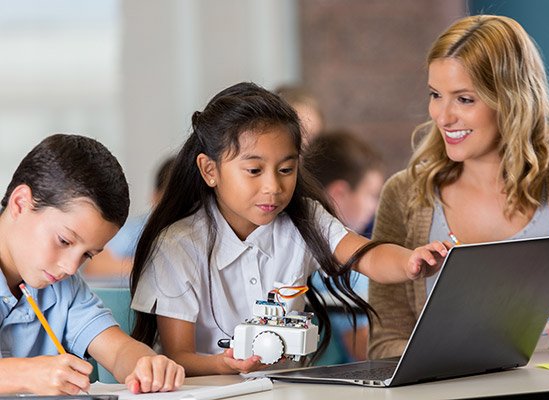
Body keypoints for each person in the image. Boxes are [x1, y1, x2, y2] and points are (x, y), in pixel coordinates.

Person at [129, 82, 448, 377]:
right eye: (254, 170)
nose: (273, 186)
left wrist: (410, 261)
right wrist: (226, 364)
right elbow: (178, 355)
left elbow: (366, 255)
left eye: (286, 169)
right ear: (210, 170)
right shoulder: (178, 245)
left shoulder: (304, 218)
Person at [368, 14, 549, 360]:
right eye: (435, 94)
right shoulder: (404, 195)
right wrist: (447, 360)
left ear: (512, 99)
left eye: (464, 99)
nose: (442, 116)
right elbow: (385, 342)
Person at [0, 134, 184, 394]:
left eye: (88, 255)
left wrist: (147, 364)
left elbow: (118, 350)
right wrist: (25, 373)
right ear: (20, 203)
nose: (71, 267)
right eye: (64, 241)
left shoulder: (64, 288)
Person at [304, 130, 385, 362]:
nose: (375, 208)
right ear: (339, 193)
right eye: (371, 195)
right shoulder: (351, 261)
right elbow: (364, 350)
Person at [83, 156, 175, 279]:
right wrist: (153, 269)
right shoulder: (136, 229)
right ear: (155, 198)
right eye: (172, 201)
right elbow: (95, 266)